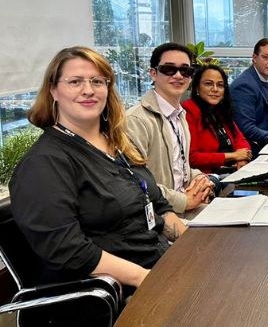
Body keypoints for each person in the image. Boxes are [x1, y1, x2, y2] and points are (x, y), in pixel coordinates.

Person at [11, 46, 186, 290]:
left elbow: (159, 206)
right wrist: (146, 279)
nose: (88, 90)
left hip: (159, 264)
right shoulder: (43, 163)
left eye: (97, 81)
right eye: (75, 82)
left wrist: (191, 245)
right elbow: (68, 249)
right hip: (118, 292)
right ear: (53, 90)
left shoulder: (119, 144)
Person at [127, 42, 214, 215]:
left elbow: (180, 168)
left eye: (185, 70)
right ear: (153, 73)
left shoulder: (179, 115)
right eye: (169, 69)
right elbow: (135, 182)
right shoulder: (135, 120)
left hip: (184, 207)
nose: (178, 76)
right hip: (160, 214)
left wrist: (201, 179)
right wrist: (184, 201)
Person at [182, 64, 252, 173]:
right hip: (207, 176)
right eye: (208, 84)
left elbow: (240, 139)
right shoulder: (189, 111)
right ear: (197, 87)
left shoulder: (219, 110)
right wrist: (233, 156)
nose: (215, 89)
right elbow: (192, 158)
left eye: (220, 85)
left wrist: (242, 159)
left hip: (232, 170)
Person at [232, 38, 268, 155]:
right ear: (254, 57)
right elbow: (247, 130)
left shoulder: (267, 81)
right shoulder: (244, 85)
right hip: (252, 149)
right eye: (266, 57)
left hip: (266, 143)